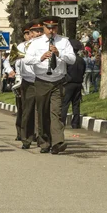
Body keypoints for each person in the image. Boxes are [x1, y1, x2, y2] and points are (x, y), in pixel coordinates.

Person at [24, 16, 75, 155]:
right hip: (41, 81)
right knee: (42, 113)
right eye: (48, 28)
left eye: (54, 28)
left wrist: (60, 53)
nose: (51, 30)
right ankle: (44, 142)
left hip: (58, 81)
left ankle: (58, 142)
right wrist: (40, 58)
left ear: (57, 28)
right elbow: (27, 59)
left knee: (56, 112)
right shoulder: (36, 43)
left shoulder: (64, 41)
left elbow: (72, 59)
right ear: (43, 28)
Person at [61, 39, 86, 128]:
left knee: (65, 103)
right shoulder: (81, 60)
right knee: (76, 104)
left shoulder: (68, 60)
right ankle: (75, 123)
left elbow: (64, 72)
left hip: (69, 83)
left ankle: (62, 122)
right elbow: (83, 72)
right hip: (78, 83)